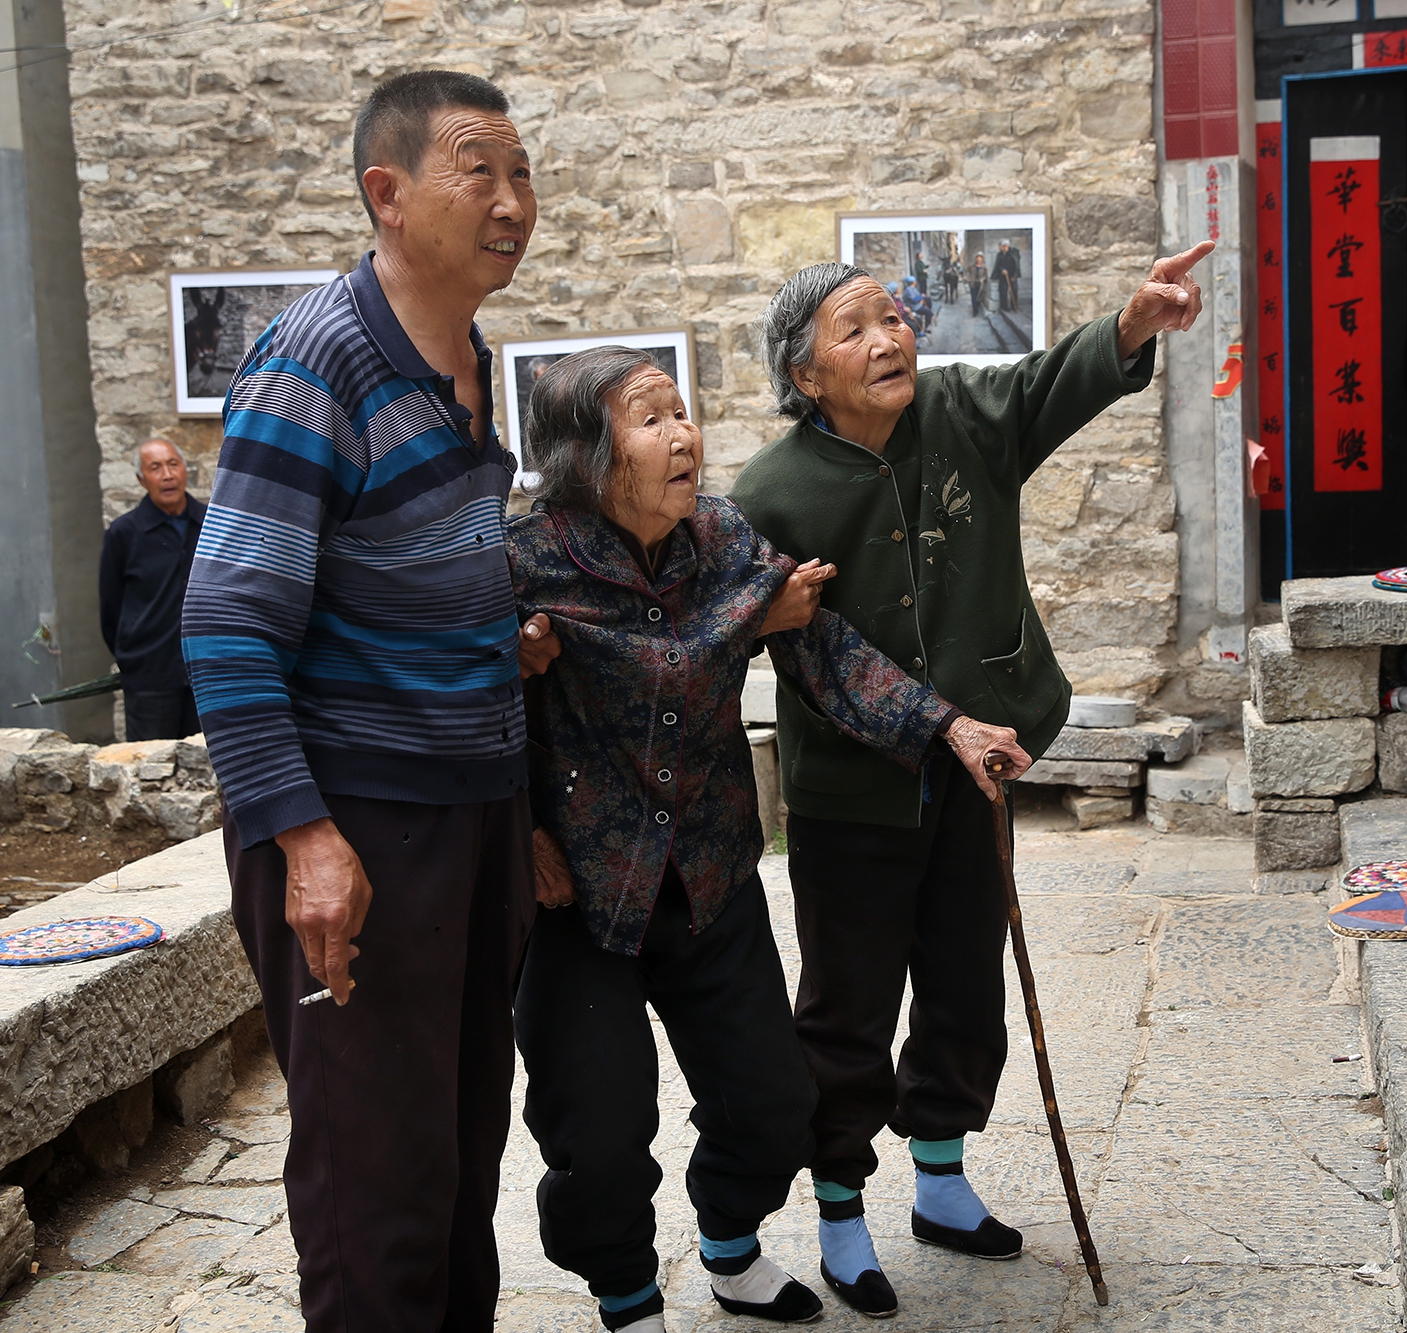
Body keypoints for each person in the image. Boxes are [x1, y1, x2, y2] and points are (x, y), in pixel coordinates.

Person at [727, 241, 1212, 1317]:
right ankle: (842, 1212)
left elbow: (1049, 382)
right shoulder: (768, 493)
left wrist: (1128, 326)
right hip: (852, 794)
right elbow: (774, 642)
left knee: (961, 982)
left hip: (978, 763)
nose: (889, 338)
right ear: (804, 375)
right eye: (853, 330)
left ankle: (940, 1183)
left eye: (893, 317)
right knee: (847, 1008)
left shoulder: (963, 412)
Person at [507, 346, 1029, 1331]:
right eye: (650, 417)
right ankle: (625, 1295)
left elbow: (823, 647)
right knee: (598, 1125)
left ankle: (730, 1250)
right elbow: (468, 709)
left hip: (706, 871)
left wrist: (948, 728)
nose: (683, 435)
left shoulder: (719, 537)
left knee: (773, 1099)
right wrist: (517, 830)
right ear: (585, 451)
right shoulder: (523, 563)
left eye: (682, 412)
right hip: (576, 889)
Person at [181, 69, 554, 1332]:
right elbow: (227, 623)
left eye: (521, 173)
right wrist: (306, 840)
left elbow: (385, 570)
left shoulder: (463, 355)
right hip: (360, 822)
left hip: (468, 811)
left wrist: (497, 638)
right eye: (478, 171)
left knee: (454, 1155)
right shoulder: (316, 358)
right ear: (385, 195)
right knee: (374, 1184)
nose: (512, 202)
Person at [99, 436, 205, 741]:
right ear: (141, 480)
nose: (168, 475)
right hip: (151, 680)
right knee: (151, 769)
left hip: (206, 673)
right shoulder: (124, 533)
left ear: (185, 470)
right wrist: (133, 659)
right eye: (155, 468)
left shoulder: (212, 523)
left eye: (173, 464)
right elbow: (110, 609)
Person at [992, 239, 1021, 312]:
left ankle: (1014, 306)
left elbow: (1016, 264)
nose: (999, 248)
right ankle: (1004, 306)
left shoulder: (1014, 252)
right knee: (1003, 291)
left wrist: (1014, 276)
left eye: (1000, 246)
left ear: (1005, 246)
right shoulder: (1000, 255)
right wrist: (1002, 270)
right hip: (1003, 276)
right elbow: (998, 265)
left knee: (1014, 290)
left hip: (1012, 275)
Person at [968, 252, 987, 316]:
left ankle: (977, 307)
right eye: (978, 259)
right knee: (973, 298)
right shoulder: (971, 266)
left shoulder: (984, 267)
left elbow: (986, 275)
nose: (979, 261)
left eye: (980, 259)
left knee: (978, 298)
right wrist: (966, 277)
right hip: (973, 283)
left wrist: (983, 278)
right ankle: (975, 311)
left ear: (982, 259)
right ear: (976, 259)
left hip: (980, 285)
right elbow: (966, 272)